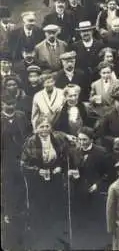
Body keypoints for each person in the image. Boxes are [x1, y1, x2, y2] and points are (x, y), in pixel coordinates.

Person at [21, 115, 73, 250]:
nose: (44, 129)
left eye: (47, 126)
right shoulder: (31, 142)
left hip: (55, 179)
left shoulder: (58, 139)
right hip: (38, 181)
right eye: (41, 126)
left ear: (51, 127)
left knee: (56, 207)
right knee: (41, 209)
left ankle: (58, 240)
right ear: (36, 128)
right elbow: (23, 164)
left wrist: (60, 167)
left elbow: (65, 157)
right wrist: (38, 171)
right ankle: (42, 240)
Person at [68, 126, 110, 249]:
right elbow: (69, 169)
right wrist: (71, 174)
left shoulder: (101, 152)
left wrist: (97, 184)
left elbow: (108, 173)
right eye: (79, 139)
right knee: (81, 220)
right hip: (79, 191)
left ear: (91, 139)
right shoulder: (73, 151)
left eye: (85, 140)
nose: (81, 142)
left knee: (96, 220)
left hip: (95, 192)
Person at [1, 96, 29, 250]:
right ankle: (8, 215)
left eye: (12, 103)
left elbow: (26, 136)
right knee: (8, 188)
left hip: (21, 159)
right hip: (5, 161)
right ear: (2, 103)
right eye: (7, 103)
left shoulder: (21, 116)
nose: (9, 106)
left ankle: (22, 217)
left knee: (22, 187)